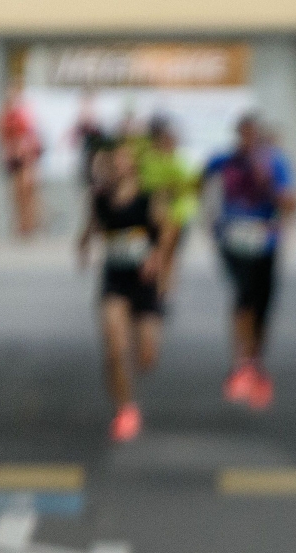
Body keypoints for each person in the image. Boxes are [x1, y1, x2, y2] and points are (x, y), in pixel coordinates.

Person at [77, 142, 176, 443]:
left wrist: (157, 258)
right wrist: (82, 247)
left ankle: (129, 371)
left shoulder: (149, 199)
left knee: (146, 357)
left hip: (143, 283)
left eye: (122, 161)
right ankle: (125, 409)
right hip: (115, 280)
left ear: (132, 166)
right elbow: (90, 230)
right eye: (113, 161)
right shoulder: (100, 200)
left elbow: (169, 231)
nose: (116, 167)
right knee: (115, 347)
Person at [202, 115, 296, 411]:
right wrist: (211, 221)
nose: (245, 142)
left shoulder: (275, 162)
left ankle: (256, 363)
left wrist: (268, 183)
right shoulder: (224, 160)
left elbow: (291, 202)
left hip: (264, 242)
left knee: (261, 306)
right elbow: (201, 182)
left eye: (251, 136)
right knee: (242, 298)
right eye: (241, 135)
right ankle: (240, 364)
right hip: (233, 241)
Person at [134, 116, 199, 299]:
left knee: (168, 251)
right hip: (152, 213)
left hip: (176, 214)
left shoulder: (179, 161)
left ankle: (162, 287)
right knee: (157, 250)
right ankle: (158, 284)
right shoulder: (148, 159)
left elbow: (188, 188)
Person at [0, 82, 43, 239]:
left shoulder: (25, 114)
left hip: (25, 158)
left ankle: (28, 225)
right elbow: (0, 136)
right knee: (16, 193)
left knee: (27, 191)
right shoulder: (5, 116)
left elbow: (32, 137)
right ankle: (21, 224)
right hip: (14, 158)